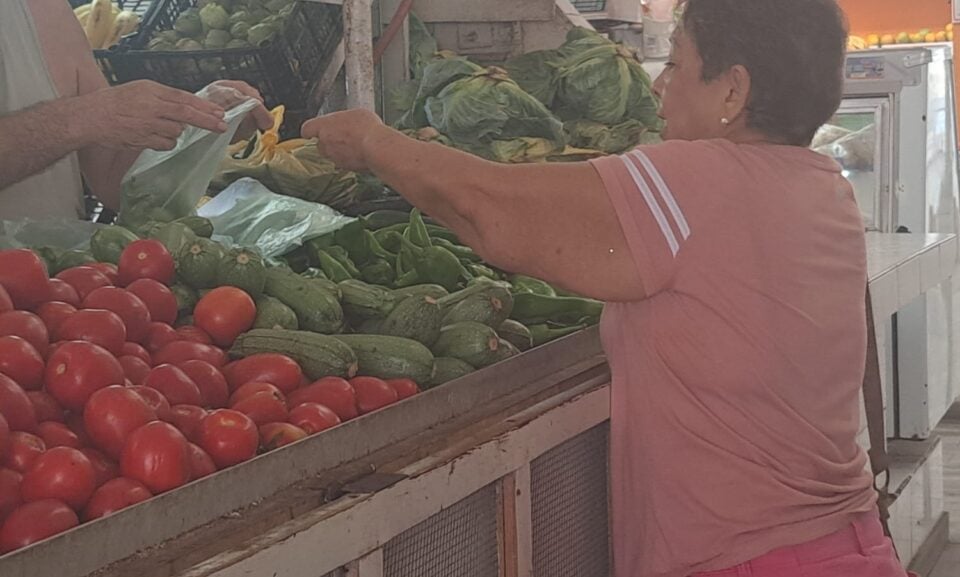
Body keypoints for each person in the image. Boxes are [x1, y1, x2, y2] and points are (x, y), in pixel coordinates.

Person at [302, 0, 908, 575]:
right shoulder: (822, 184)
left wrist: (375, 143)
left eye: (675, 62)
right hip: (843, 546)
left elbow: (491, 210)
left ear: (733, 90)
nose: (657, 86)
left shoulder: (700, 179)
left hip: (747, 561)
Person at [0, 0, 274, 220]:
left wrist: (197, 122)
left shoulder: (38, 9)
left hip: (61, 278)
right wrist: (79, 119)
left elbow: (114, 179)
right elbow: (82, 119)